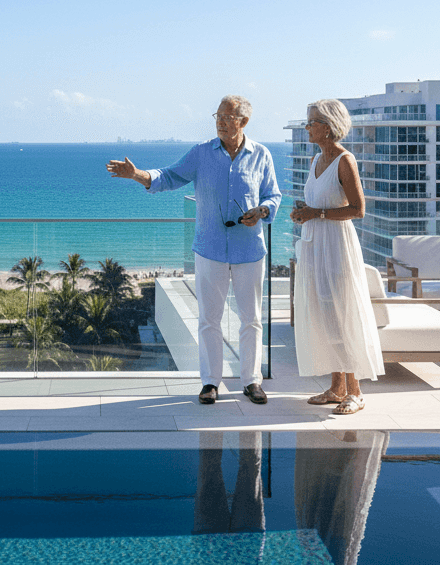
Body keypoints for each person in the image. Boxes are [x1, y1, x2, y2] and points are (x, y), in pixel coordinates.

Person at [108, 95, 281, 405]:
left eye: (227, 116)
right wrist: (136, 174)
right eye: (218, 115)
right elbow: (169, 176)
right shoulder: (202, 153)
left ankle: (251, 381)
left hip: (249, 251)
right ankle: (210, 383)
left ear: (243, 121)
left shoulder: (261, 155)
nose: (220, 121)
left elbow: (273, 196)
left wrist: (262, 212)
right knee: (209, 319)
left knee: (251, 319)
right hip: (210, 250)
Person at [290, 99, 383, 415]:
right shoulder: (316, 159)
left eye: (312, 121)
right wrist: (304, 213)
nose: (307, 127)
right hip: (314, 244)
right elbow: (316, 203)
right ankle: (336, 387)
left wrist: (316, 212)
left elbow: (358, 209)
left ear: (328, 126)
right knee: (324, 314)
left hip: (337, 246)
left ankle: (355, 391)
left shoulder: (345, 161)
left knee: (343, 313)